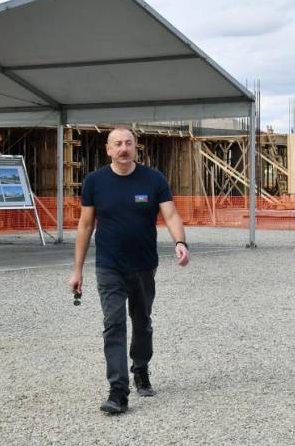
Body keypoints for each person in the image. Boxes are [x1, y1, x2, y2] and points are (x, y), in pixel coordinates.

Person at [68, 127, 190, 414]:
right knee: (113, 324)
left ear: (136, 147)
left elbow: (171, 214)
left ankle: (141, 368)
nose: (123, 148)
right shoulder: (95, 182)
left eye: (128, 143)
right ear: (108, 149)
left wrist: (180, 242)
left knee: (142, 321)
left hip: (143, 265)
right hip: (108, 265)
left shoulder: (153, 179)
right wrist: (77, 270)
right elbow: (85, 225)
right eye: (118, 144)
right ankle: (118, 391)